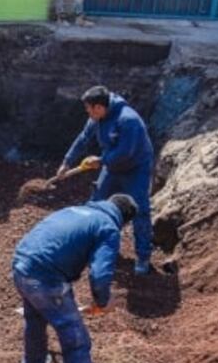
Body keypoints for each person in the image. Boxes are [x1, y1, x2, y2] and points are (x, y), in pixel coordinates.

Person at [12, 194, 138, 363]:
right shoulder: (108, 227)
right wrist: (103, 300)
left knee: (35, 318)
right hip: (45, 279)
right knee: (77, 343)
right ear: (125, 222)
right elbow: (100, 275)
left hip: (22, 266)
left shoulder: (76, 208)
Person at [56, 86, 154, 275]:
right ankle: (92, 244)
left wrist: (100, 161)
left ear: (99, 107)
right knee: (97, 204)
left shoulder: (128, 121)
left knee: (140, 210)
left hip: (135, 168)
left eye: (89, 109)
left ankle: (143, 256)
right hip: (112, 166)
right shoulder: (96, 118)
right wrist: (67, 162)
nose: (87, 113)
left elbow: (126, 152)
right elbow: (83, 138)